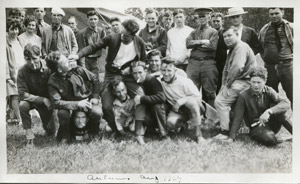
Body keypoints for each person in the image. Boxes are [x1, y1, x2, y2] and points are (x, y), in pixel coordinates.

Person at [68, 19, 147, 144]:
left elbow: (143, 60)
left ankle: (138, 131)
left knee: (141, 98)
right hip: (111, 74)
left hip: (129, 75)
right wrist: (78, 55)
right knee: (106, 105)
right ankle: (117, 130)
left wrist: (131, 68)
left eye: (126, 35)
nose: (122, 36)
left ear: (133, 35)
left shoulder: (139, 42)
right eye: (122, 33)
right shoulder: (113, 38)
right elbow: (94, 46)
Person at [225, 67, 292, 146]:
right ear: (250, 81)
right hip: (257, 127)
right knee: (269, 140)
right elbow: (237, 118)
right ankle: (277, 139)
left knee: (282, 114)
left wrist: (269, 111)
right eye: (253, 82)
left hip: (271, 122)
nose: (255, 85)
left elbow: (286, 103)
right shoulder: (243, 95)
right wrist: (231, 137)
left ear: (265, 81)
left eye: (259, 82)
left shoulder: (269, 90)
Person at [47, 52, 102, 144]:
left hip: (86, 100)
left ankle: (94, 133)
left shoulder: (77, 70)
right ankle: (66, 136)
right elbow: (56, 102)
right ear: (59, 70)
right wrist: (77, 104)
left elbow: (94, 79)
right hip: (69, 105)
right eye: (65, 62)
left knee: (97, 112)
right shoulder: (53, 82)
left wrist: (95, 96)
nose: (69, 61)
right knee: (62, 113)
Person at [214, 25, 257, 140]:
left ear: (237, 35)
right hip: (238, 80)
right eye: (225, 37)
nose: (227, 38)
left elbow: (237, 68)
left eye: (229, 35)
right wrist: (224, 85)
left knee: (220, 101)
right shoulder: (232, 49)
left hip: (245, 82)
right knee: (223, 97)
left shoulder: (241, 47)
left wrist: (227, 86)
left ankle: (224, 131)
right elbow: (226, 70)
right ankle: (236, 126)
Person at [160, 58, 205, 143]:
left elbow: (198, 97)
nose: (166, 74)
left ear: (175, 70)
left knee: (192, 103)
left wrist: (180, 101)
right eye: (163, 70)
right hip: (177, 110)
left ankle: (199, 135)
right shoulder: (161, 81)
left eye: (169, 71)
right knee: (170, 123)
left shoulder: (184, 81)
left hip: (192, 108)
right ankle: (183, 124)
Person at [17, 44, 55, 146]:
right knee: (22, 105)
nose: (32, 62)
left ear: (40, 56)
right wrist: (42, 99)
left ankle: (48, 125)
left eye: (34, 58)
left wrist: (51, 101)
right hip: (32, 101)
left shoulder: (49, 67)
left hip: (48, 102)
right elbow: (22, 94)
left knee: (51, 132)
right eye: (28, 59)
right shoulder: (22, 71)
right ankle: (29, 135)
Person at [259, 8, 293, 108]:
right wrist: (265, 58)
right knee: (270, 94)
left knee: (293, 94)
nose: (274, 16)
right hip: (271, 67)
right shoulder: (264, 29)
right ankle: (275, 121)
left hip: (287, 65)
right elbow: (260, 46)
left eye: (276, 13)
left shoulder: (291, 27)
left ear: (283, 12)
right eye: (271, 14)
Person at [186, 8, 219, 108]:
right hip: (193, 64)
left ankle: (213, 117)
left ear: (209, 17)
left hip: (208, 63)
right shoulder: (193, 32)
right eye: (199, 17)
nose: (201, 19)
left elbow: (212, 46)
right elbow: (187, 44)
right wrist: (203, 42)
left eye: (203, 16)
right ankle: (195, 115)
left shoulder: (213, 32)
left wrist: (195, 45)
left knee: (210, 92)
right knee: (191, 90)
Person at [131, 61, 169, 139]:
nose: (137, 75)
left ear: (145, 71)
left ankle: (164, 134)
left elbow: (161, 97)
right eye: (135, 73)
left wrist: (142, 99)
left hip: (161, 108)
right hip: (146, 108)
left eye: (140, 72)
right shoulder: (132, 82)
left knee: (157, 106)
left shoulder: (151, 80)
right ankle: (151, 130)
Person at [76, 10, 106, 79]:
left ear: (98, 20)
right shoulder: (82, 33)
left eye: (95, 19)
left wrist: (106, 34)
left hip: (95, 60)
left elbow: (104, 45)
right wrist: (83, 67)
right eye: (91, 19)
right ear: (88, 20)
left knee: (96, 81)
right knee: (87, 80)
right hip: (86, 60)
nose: (93, 21)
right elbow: (81, 50)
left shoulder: (101, 31)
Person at [6, 20, 24, 125]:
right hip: (12, 73)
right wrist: (8, 77)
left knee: (21, 94)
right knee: (14, 95)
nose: (14, 32)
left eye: (16, 29)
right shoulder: (5, 43)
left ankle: (15, 115)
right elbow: (4, 62)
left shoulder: (19, 41)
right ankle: (20, 119)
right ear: (8, 30)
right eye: (12, 29)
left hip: (22, 72)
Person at [211, 12, 227, 93]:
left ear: (222, 21)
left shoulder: (226, 33)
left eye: (218, 21)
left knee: (221, 85)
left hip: (223, 63)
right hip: (210, 62)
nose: (216, 23)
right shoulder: (209, 33)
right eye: (214, 21)